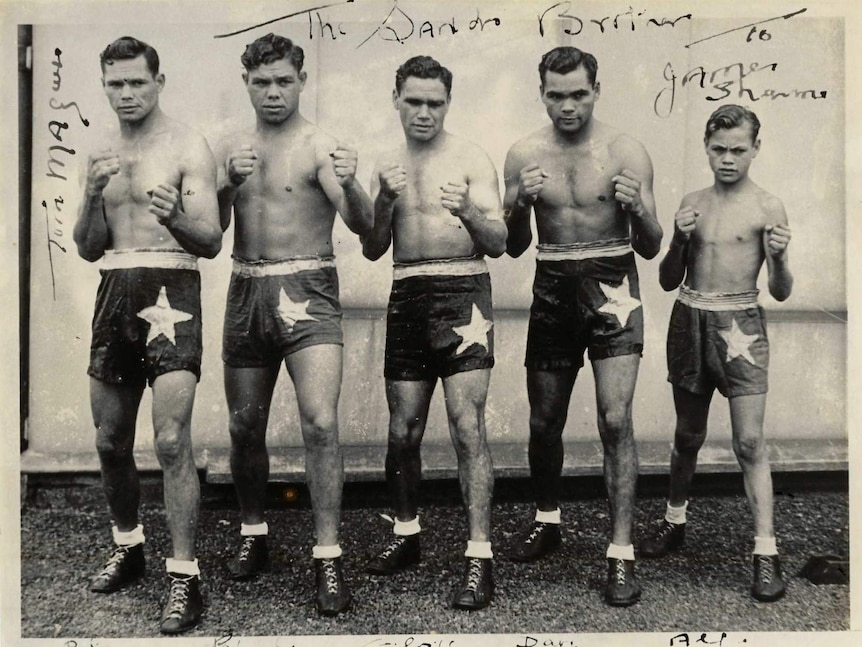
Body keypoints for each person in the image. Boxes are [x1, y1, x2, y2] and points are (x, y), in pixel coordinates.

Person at [214, 33, 373, 616]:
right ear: (247, 83)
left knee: (320, 421)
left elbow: (361, 225)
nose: (273, 92)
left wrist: (354, 181)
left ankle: (327, 554)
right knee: (243, 425)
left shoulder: (320, 145)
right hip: (247, 285)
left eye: (283, 81)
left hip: (309, 285)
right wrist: (227, 182)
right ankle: (253, 532)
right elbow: (211, 232)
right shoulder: (231, 147)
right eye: (262, 82)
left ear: (302, 81)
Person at [503, 46, 662, 607]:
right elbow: (513, 246)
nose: (566, 105)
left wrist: (639, 207)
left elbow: (652, 243)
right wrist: (517, 204)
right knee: (544, 420)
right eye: (555, 94)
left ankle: (620, 553)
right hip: (552, 282)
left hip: (614, 278)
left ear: (597, 89)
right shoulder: (524, 153)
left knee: (615, 419)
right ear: (541, 91)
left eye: (578, 94)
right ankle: (548, 520)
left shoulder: (625, 151)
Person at [73, 36, 222, 634]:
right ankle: (128, 543)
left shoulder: (187, 145)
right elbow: (87, 248)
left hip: (173, 288)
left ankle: (184, 575)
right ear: (105, 85)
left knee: (169, 437)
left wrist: (174, 217)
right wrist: (88, 194)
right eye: (116, 84)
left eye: (137, 82)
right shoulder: (100, 149)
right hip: (115, 291)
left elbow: (210, 240)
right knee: (110, 439)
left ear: (160, 81)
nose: (127, 93)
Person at [361, 55, 506, 610]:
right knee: (403, 431)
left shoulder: (470, 157)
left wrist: (468, 209)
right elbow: (375, 248)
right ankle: (405, 533)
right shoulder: (387, 163)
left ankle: (479, 556)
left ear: (449, 103)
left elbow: (497, 241)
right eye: (415, 101)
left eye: (436, 103)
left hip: (463, 291)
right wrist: (381, 202)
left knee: (467, 426)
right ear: (396, 98)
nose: (425, 113)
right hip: (408, 290)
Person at [640, 104, 793, 602]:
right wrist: (680, 239)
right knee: (688, 435)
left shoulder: (769, 207)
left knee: (749, 441)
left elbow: (783, 290)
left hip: (740, 321)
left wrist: (780, 256)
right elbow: (666, 280)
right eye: (719, 150)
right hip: (690, 318)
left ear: (757, 148)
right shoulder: (693, 201)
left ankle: (765, 551)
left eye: (738, 150)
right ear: (707, 148)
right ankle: (675, 520)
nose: (728, 159)